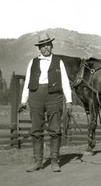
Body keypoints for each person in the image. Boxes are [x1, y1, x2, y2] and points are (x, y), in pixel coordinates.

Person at [19, 32, 72, 173]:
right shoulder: (33, 62)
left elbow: (65, 82)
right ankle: (38, 162)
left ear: (51, 45)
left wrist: (69, 101)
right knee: (36, 130)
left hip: (54, 97)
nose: (45, 48)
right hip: (35, 96)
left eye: (47, 45)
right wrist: (23, 101)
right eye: (42, 46)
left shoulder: (58, 61)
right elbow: (27, 83)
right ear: (39, 48)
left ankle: (55, 161)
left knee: (55, 129)